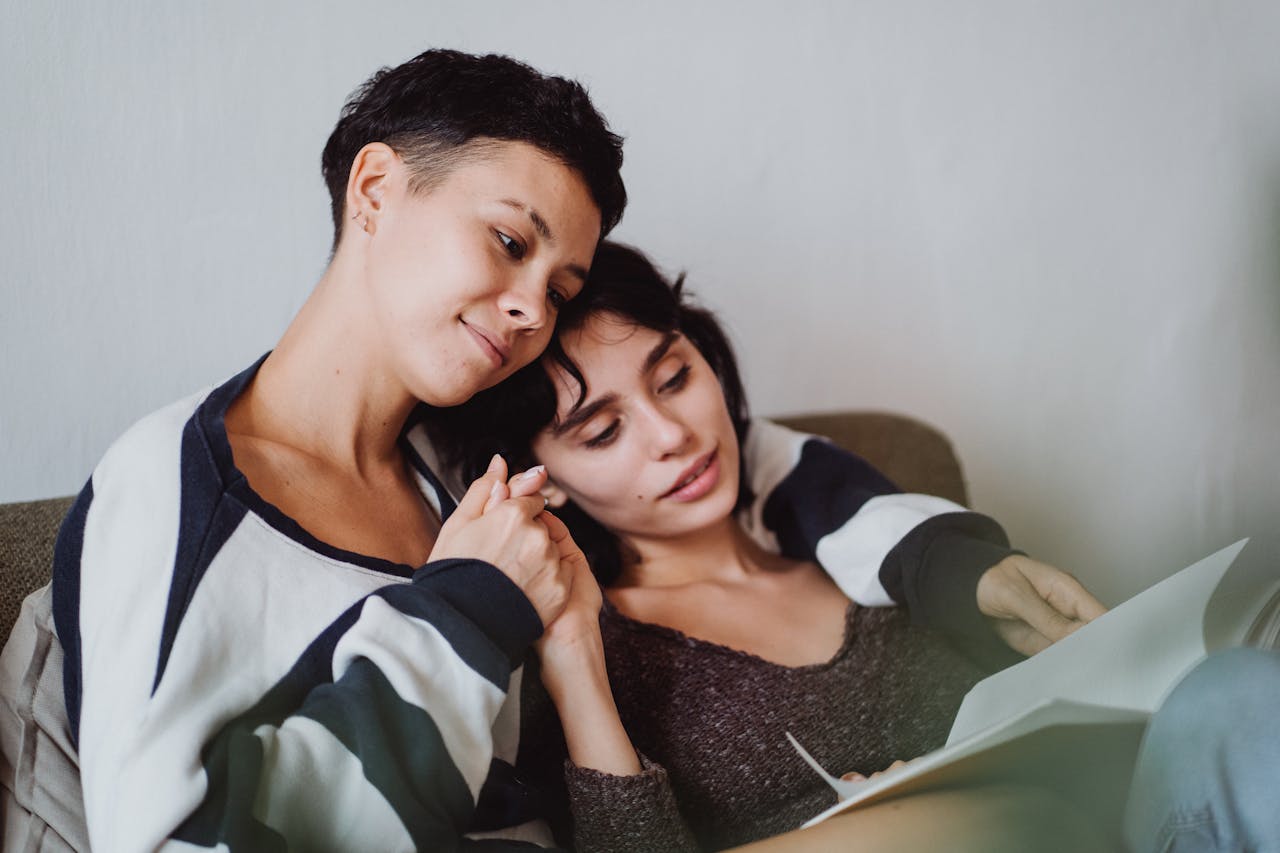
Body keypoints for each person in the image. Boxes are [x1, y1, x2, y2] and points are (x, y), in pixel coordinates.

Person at [9, 48, 626, 851]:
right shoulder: (176, 484)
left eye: (558, 292)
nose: (529, 312)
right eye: (511, 241)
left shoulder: (465, 506)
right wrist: (467, 605)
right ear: (374, 190)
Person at [428, 241, 1111, 852]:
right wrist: (576, 665)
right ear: (547, 481)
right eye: (604, 431)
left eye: (673, 379)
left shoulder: (864, 545)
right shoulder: (597, 650)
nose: (672, 433)